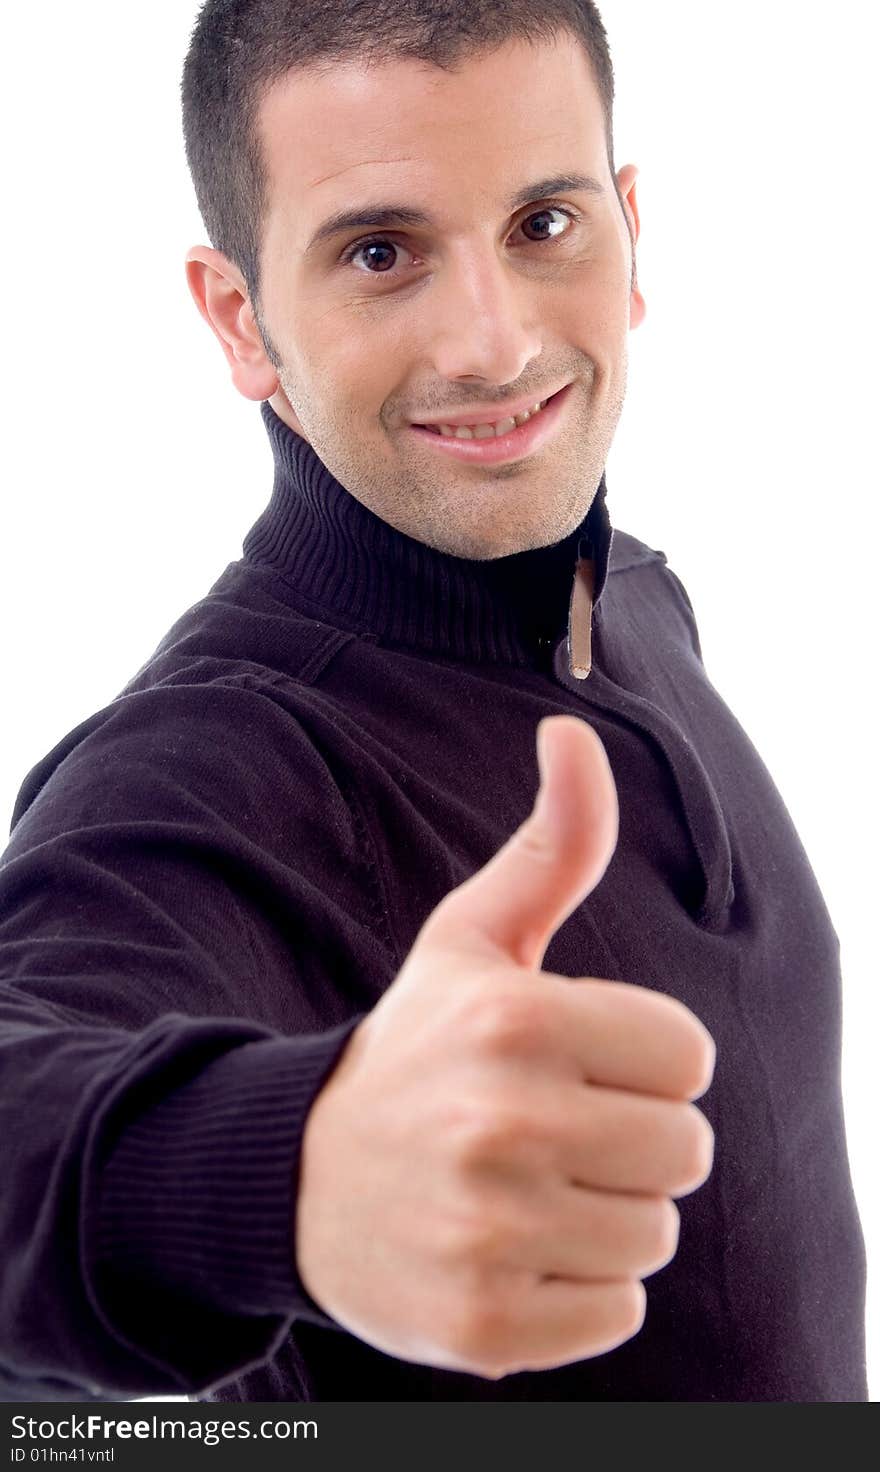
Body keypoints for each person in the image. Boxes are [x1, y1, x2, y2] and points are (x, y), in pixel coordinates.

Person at [0, 0, 867, 1404]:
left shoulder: (633, 592)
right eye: (382, 252)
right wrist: (279, 1177)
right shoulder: (215, 763)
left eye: (543, 225)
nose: (494, 344)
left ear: (629, 232)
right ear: (242, 318)